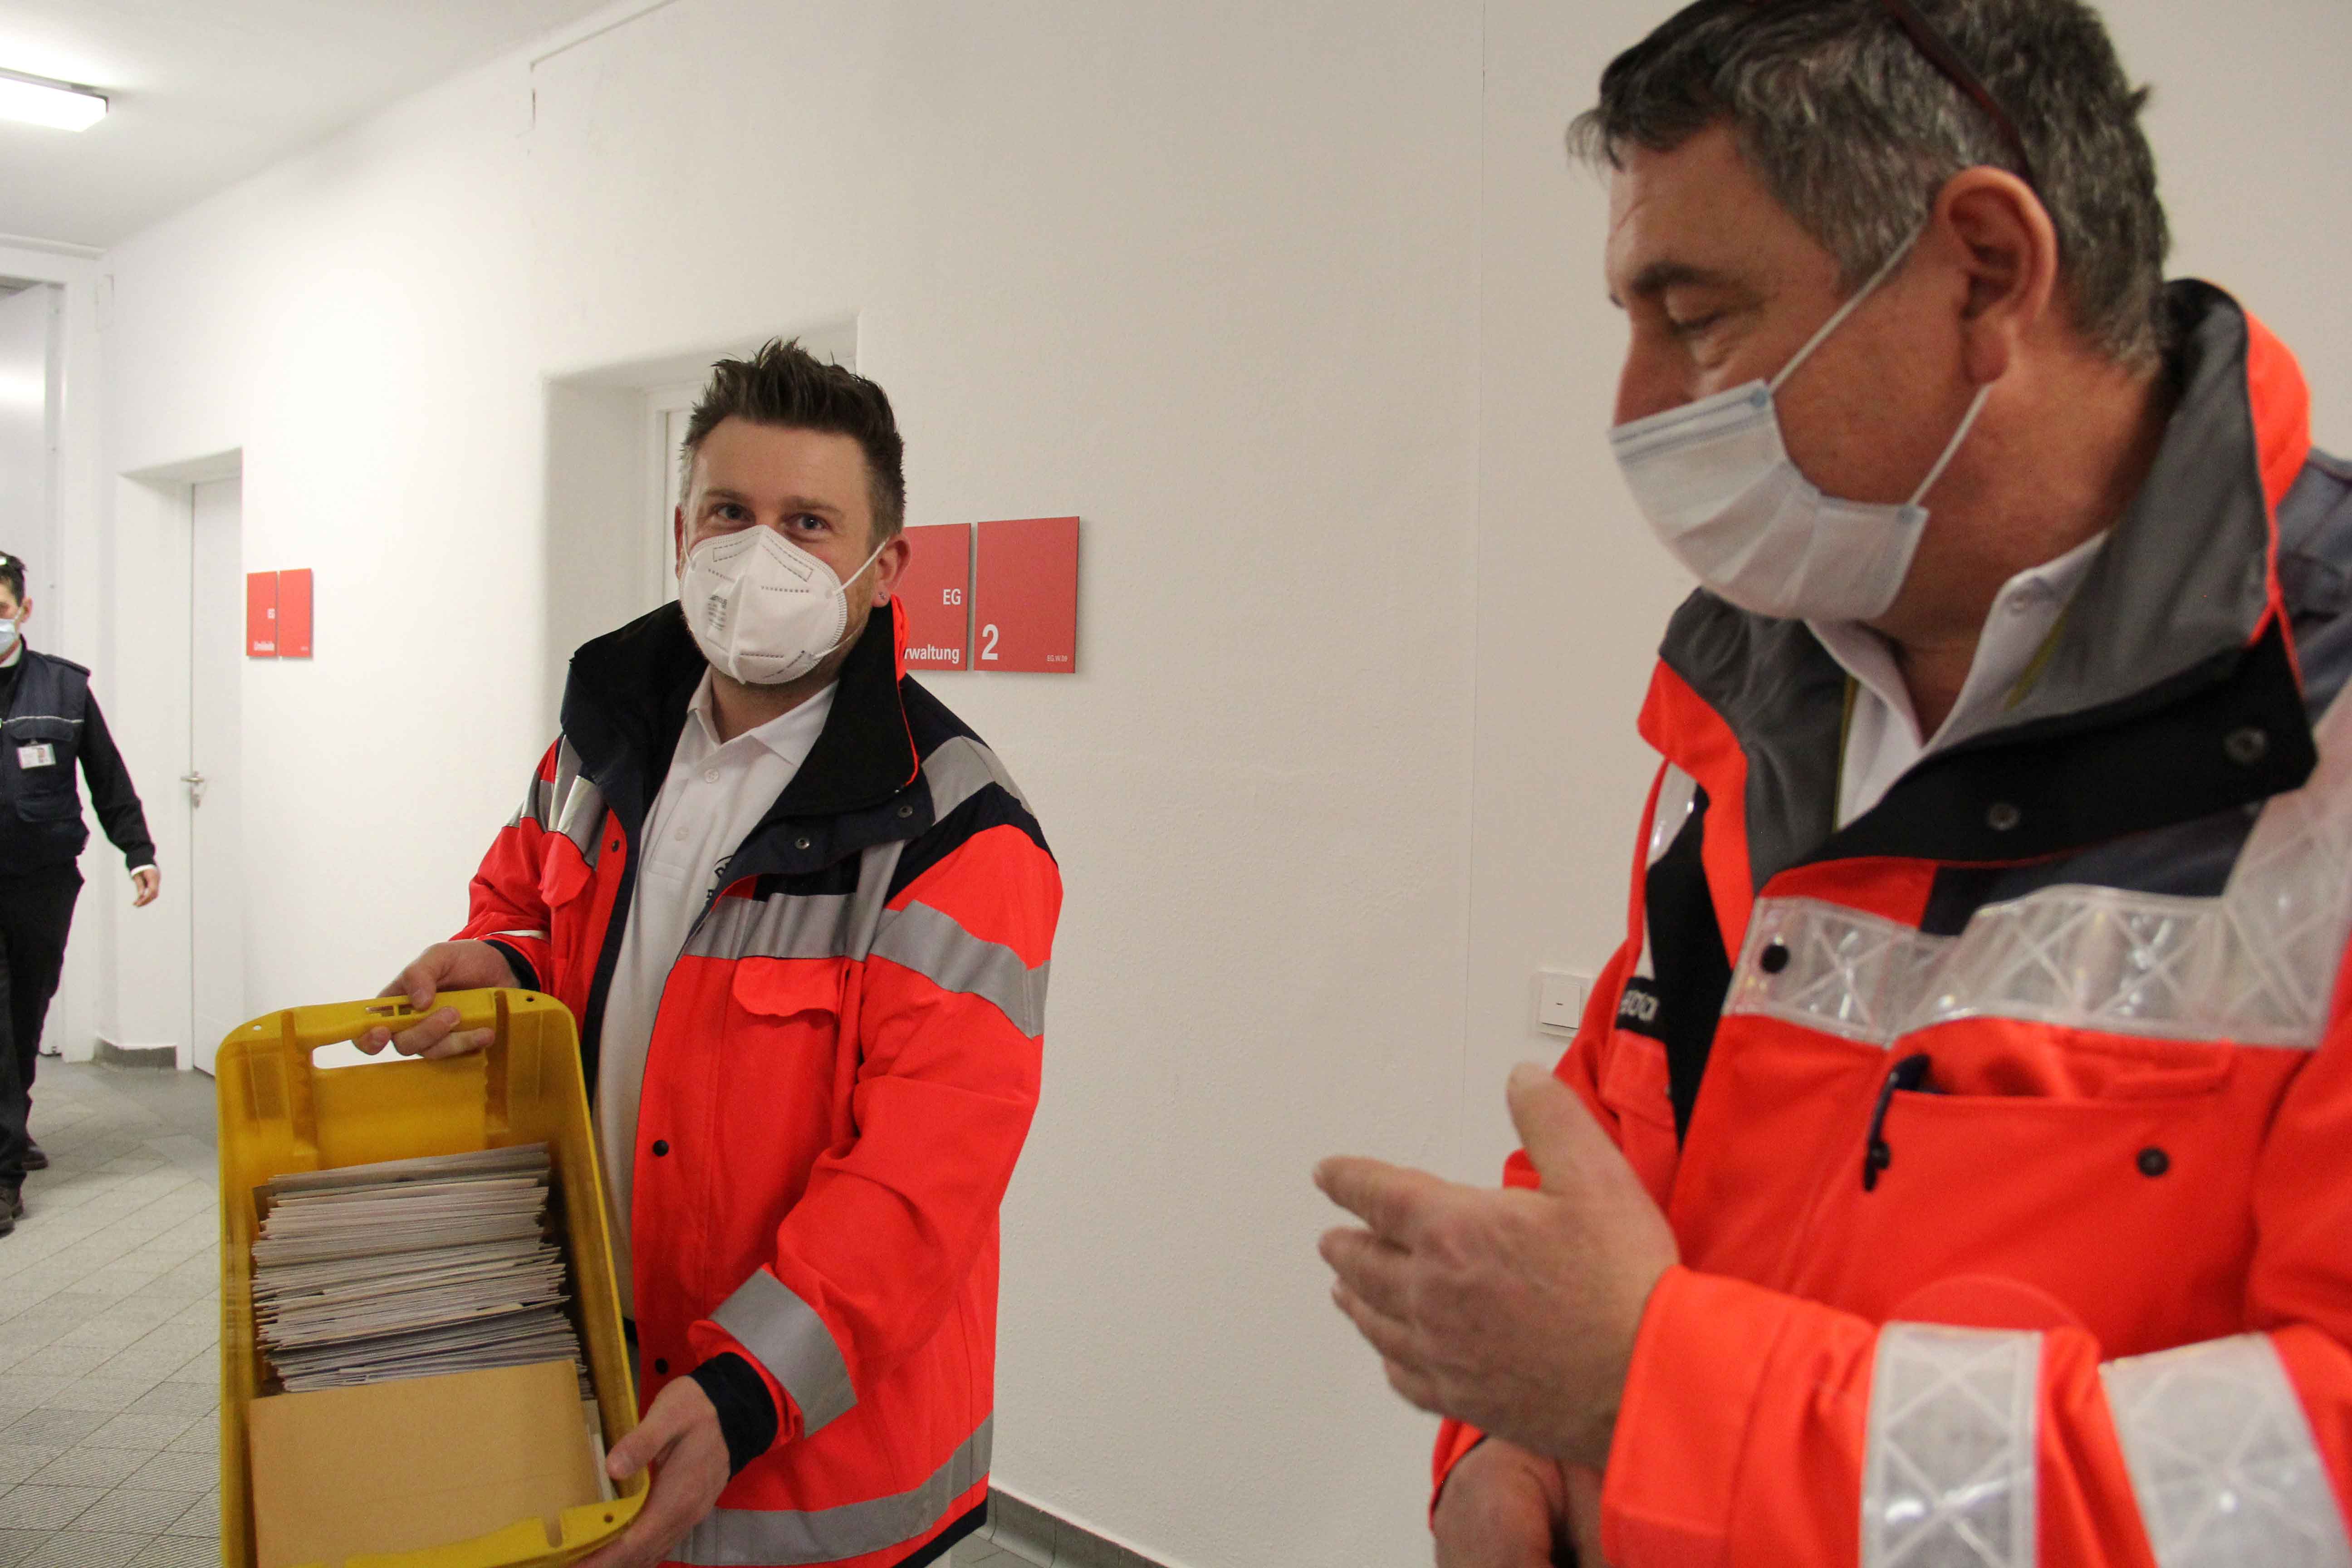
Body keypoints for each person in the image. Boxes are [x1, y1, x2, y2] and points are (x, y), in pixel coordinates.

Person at [1315, 1, 2352, 1564]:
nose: (1635, 408)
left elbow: (2315, 1478)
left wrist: (1653, 1392)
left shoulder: (2318, 731)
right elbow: (1620, 1165)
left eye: (1697, 317)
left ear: (1984, 273)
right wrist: (1502, 1443)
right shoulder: (1752, 696)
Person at [363, 343, 1062, 1568]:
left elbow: (922, 1181)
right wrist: (501, 970)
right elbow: (527, 914)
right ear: (682, 532)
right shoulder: (601, 743)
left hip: (816, 1481)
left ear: (885, 568)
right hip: (599, 1393)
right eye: (731, 514)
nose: (758, 555)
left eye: (809, 524)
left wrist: (745, 1394)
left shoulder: (954, 832)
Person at [0, 550, 160, 1237]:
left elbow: (107, 776)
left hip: (43, 880)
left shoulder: (63, 689)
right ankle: (3, 1174)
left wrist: (138, 851)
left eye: (1, 608)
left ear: (23, 611)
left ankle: (13, 1122)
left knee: (27, 1008)